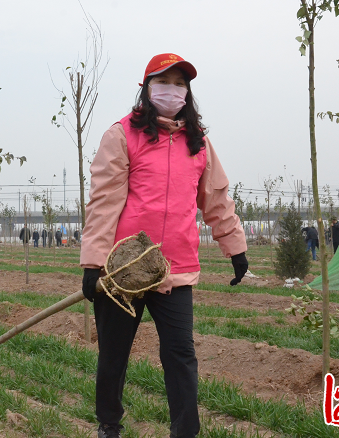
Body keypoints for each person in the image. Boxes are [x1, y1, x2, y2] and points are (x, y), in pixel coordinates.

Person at [80, 53, 248, 438]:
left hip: (175, 268)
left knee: (181, 356)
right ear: (146, 89)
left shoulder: (198, 142)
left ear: (187, 93)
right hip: (125, 268)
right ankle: (109, 424)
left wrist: (235, 246)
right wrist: (93, 263)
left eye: (179, 83)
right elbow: (105, 202)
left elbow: (216, 199)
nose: (172, 90)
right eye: (163, 82)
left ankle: (185, 431)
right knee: (114, 356)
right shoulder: (122, 135)